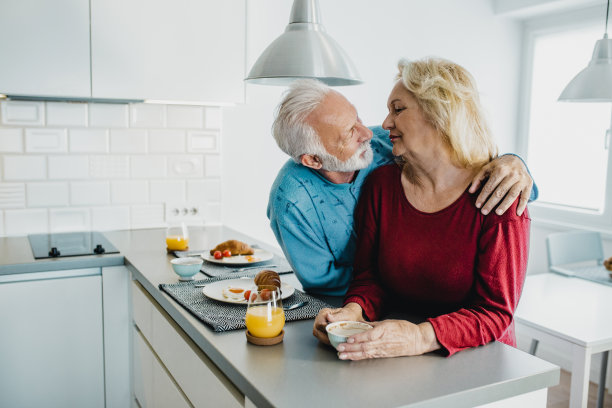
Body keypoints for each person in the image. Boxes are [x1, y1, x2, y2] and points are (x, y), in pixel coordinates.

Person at [313, 57, 530, 359]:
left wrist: (419, 336)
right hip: (400, 351)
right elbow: (368, 278)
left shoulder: (499, 197)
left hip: (481, 360)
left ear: (440, 113)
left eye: (398, 109)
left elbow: (495, 313)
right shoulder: (381, 185)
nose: (386, 123)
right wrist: (352, 312)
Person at [267, 78, 536, 296]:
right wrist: (404, 278)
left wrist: (513, 162)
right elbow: (323, 283)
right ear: (313, 159)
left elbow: (470, 162)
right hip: (357, 308)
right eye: (350, 132)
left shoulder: (389, 143)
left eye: (358, 118)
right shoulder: (290, 202)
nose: (368, 133)